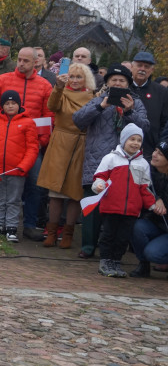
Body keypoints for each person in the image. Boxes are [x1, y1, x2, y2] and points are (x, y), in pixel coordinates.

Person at [0, 46, 53, 240]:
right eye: (19, 59)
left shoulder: (44, 85)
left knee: (35, 184)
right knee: (3, 186)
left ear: (35, 62)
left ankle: (29, 225)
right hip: (7, 142)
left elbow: (49, 116)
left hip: (31, 145)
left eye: (26, 60)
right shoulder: (4, 79)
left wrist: (41, 141)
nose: (21, 63)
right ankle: (1, 223)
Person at [73, 64, 149, 258]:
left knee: (120, 209)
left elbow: (145, 128)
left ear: (128, 84)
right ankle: (88, 247)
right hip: (97, 161)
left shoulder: (136, 102)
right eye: (113, 80)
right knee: (93, 205)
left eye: (121, 81)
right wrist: (101, 106)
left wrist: (130, 111)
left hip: (126, 164)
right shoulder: (99, 99)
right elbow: (78, 120)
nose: (117, 83)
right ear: (107, 83)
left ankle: (113, 251)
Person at [35, 62, 94, 249]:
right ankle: (51, 232)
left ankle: (68, 233)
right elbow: (52, 106)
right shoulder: (61, 92)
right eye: (72, 76)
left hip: (81, 144)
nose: (75, 80)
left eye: (79, 77)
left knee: (74, 194)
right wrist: (58, 87)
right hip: (60, 142)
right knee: (55, 193)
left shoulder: (92, 96)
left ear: (86, 79)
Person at [92, 123, 155, 277]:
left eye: (139, 140)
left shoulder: (143, 164)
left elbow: (145, 188)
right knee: (108, 236)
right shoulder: (111, 158)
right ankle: (105, 262)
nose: (135, 143)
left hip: (131, 210)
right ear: (123, 140)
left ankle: (116, 263)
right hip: (111, 207)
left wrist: (152, 205)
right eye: (132, 139)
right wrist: (98, 185)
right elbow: (99, 176)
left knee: (122, 239)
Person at [0, 90, 39, 242]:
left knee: (13, 200)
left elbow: (32, 148)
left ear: (19, 105)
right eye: (7, 104)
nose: (10, 106)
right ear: (2, 106)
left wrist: (24, 165)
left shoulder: (28, 123)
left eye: (13, 103)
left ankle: (11, 227)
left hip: (16, 170)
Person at [129, 140, 168, 277]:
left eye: (161, 154)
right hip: (156, 223)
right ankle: (143, 266)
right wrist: (157, 199)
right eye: (155, 150)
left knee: (153, 253)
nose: (155, 155)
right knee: (136, 226)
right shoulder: (148, 170)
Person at [128, 52, 168, 158]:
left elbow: (165, 122)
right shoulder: (123, 87)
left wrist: (160, 147)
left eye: (147, 67)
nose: (142, 69)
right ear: (132, 67)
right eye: (139, 65)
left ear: (152, 70)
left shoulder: (162, 92)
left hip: (150, 151)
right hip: (121, 148)